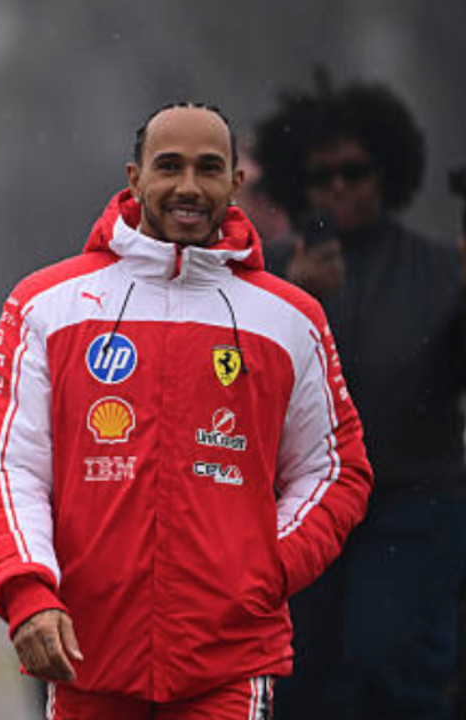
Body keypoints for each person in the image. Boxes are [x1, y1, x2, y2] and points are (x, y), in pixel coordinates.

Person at [0, 103, 373, 719]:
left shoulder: (291, 318)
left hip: (229, 661)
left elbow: (337, 471)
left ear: (234, 184)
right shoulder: (46, 304)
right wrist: (29, 591)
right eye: (169, 167)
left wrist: (264, 566)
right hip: (85, 655)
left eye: (208, 169)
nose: (188, 186)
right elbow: (3, 468)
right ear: (134, 178)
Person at [254, 79, 466, 720]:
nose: (338, 187)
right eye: (321, 177)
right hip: (301, 504)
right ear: (298, 185)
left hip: (413, 502)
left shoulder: (442, 269)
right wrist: (290, 302)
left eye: (355, 171)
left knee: (389, 665)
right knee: (294, 676)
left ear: (388, 172)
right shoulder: (263, 273)